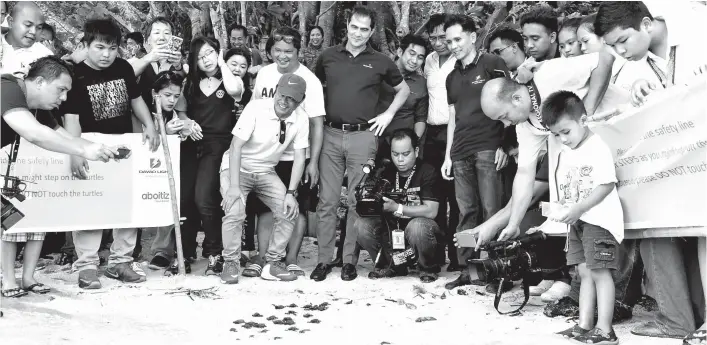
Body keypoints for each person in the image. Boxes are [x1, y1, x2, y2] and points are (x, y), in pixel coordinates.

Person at [596, 2, 707, 341]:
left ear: (646, 24)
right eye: (612, 46)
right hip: (682, 167)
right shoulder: (636, 64)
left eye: (623, 41)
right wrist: (640, 93)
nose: (619, 51)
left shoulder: (697, 34)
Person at [1, 56, 119, 298]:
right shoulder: (8, 88)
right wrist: (83, 150)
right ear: (41, 82)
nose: (63, 98)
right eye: (61, 90)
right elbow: (33, 133)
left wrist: (97, 148)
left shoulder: (36, 106)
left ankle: (23, 278)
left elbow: (63, 136)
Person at [311, 6, 410, 282]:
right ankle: (323, 260)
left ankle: (348, 261)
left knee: (357, 201)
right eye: (354, 27)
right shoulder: (328, 56)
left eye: (364, 29)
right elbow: (313, 87)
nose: (357, 33)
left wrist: (388, 114)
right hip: (330, 134)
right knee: (327, 201)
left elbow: (403, 90)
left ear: (371, 32)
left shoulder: (381, 61)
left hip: (364, 135)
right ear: (347, 25)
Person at [61, 19, 161, 289]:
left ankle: (120, 262)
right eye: (100, 47)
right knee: (91, 206)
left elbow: (135, 99)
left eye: (113, 47)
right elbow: (71, 117)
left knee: (125, 204)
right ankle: (87, 266)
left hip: (122, 147)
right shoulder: (75, 75)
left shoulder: (123, 67)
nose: (106, 54)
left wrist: (150, 126)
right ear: (86, 46)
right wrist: (75, 150)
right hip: (91, 147)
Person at [241, 27, 323, 278]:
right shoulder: (265, 74)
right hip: (266, 156)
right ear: (271, 51)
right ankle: (264, 257)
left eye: (289, 51)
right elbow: (255, 109)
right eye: (277, 50)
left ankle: (291, 258)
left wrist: (314, 161)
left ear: (299, 50)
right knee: (265, 210)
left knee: (294, 208)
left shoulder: (310, 80)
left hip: (296, 156)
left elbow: (317, 123)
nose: (283, 55)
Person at [542, 91, 624, 345]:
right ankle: (584, 324)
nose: (562, 139)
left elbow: (607, 184)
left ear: (583, 120)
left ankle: (605, 330)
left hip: (598, 221)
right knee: (582, 272)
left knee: (600, 272)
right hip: (578, 222)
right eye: (556, 134)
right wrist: (563, 208)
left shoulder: (596, 146)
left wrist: (579, 208)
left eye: (566, 131)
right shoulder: (567, 152)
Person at [440, 15, 510, 290]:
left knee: (493, 211)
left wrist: (505, 144)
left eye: (458, 39)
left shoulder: (493, 64)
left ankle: (498, 272)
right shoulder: (451, 77)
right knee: (466, 212)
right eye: (449, 41)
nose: (454, 45)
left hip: (488, 147)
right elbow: (452, 118)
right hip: (460, 152)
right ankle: (469, 269)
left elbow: (509, 102)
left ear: (472, 36)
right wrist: (448, 155)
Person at [219, 73, 309, 284]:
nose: (284, 101)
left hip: (266, 171)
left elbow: (299, 158)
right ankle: (230, 261)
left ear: (300, 101)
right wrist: (233, 186)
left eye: (292, 98)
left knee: (289, 210)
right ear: (276, 89)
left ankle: (272, 263)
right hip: (237, 168)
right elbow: (235, 147)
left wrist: (290, 193)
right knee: (235, 209)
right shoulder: (256, 108)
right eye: (282, 94)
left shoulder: (301, 118)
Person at [176, 36, 245, 276]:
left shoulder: (230, 80)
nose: (205, 59)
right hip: (190, 142)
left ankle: (215, 252)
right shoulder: (189, 82)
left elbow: (236, 90)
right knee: (185, 199)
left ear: (218, 53)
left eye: (210, 53)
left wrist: (223, 62)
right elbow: (180, 111)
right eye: (200, 56)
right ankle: (184, 253)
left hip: (218, 145)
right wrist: (187, 123)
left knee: (205, 198)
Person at [355, 128, 444, 283]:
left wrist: (398, 208)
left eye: (405, 154)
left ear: (416, 151)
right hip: (392, 232)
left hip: (420, 231)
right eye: (395, 154)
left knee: (417, 227)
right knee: (361, 225)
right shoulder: (386, 171)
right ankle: (389, 264)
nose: (400, 160)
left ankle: (427, 268)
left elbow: (432, 211)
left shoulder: (428, 171)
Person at [422, 13, 460, 272]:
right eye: (432, 37)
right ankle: (435, 255)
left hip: (456, 133)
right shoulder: (428, 61)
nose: (437, 42)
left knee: (457, 197)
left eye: (441, 37)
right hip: (432, 135)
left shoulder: (461, 60)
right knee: (434, 196)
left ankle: (458, 257)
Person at [376, 34, 429, 158]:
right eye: (411, 53)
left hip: (403, 147)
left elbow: (420, 118)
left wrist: (414, 143)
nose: (415, 61)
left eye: (420, 57)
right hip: (374, 140)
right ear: (400, 51)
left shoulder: (421, 83)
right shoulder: (380, 73)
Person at [1, 2, 53, 77]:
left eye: (39, 28)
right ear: (10, 22)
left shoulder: (45, 56)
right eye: (28, 25)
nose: (34, 32)